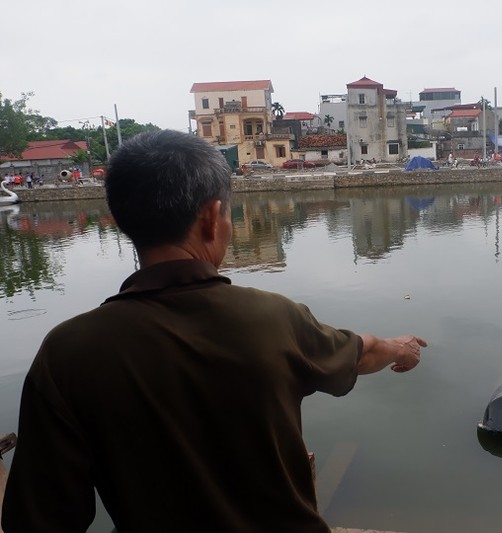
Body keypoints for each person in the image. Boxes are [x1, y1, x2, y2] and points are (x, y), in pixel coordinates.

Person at [2, 130, 427, 532]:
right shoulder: (274, 319)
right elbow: (360, 352)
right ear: (211, 217)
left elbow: (40, 520)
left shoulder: (67, 353)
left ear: (120, 219)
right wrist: (400, 349)